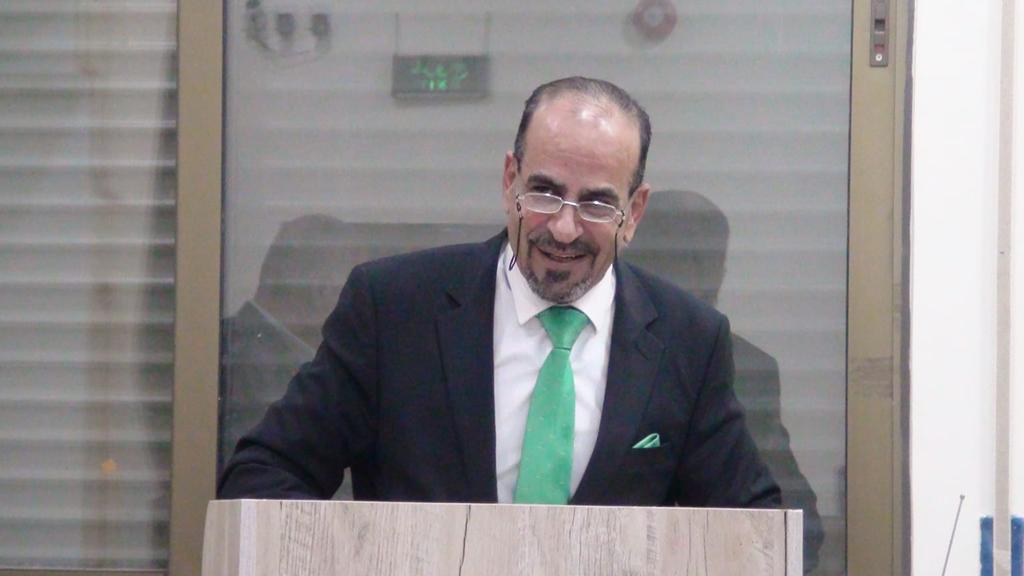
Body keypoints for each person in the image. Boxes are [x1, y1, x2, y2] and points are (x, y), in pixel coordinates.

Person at [218, 76, 780, 510]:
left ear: (633, 213)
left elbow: (755, 525)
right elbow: (263, 475)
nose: (564, 229)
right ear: (510, 180)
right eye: (544, 192)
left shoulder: (689, 340)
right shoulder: (393, 309)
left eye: (596, 203)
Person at [625, 190, 825, 571]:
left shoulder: (748, 368)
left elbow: (799, 529)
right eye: (687, 261)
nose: (704, 280)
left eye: (713, 263)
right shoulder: (588, 350)